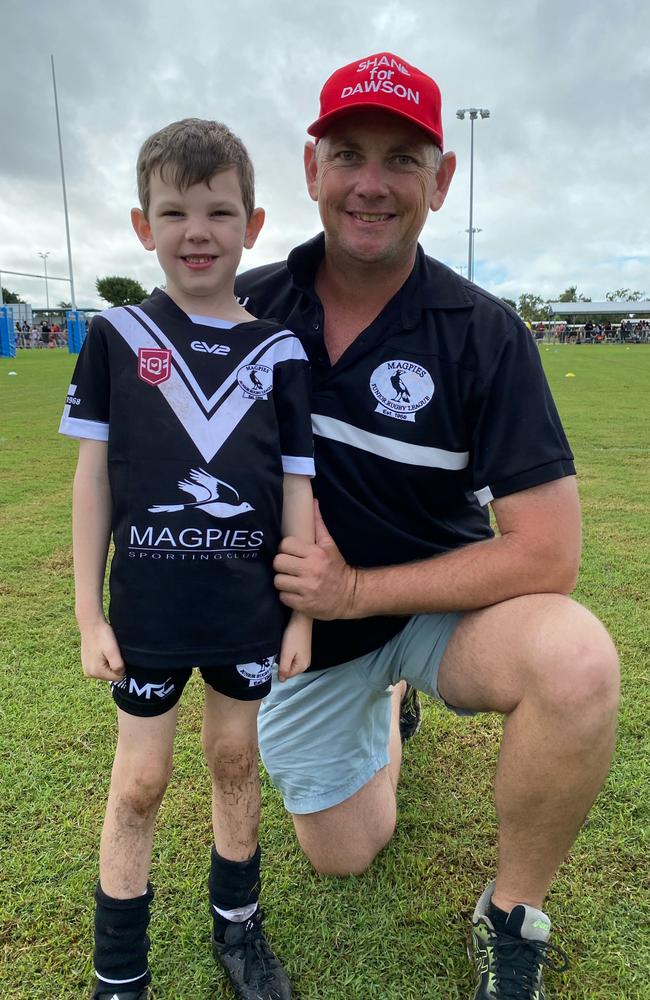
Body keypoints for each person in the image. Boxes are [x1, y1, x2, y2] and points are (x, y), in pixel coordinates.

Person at [235, 52, 620, 999]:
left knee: (577, 660)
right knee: (343, 854)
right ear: (312, 166)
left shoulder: (485, 332)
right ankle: (387, 717)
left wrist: (360, 591)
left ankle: (510, 913)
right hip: (306, 643)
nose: (373, 183)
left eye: (403, 159)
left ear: (441, 180)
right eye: (350, 153)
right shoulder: (247, 307)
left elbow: (549, 552)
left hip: (431, 612)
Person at [59, 118, 316, 1000]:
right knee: (139, 781)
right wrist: (91, 614)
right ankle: (117, 972)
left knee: (235, 759)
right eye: (174, 212)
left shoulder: (279, 352)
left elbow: (296, 492)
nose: (196, 231)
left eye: (218, 211)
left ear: (253, 223)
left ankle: (237, 928)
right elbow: (94, 482)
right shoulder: (116, 336)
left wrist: (304, 612)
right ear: (143, 226)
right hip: (149, 615)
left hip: (246, 610)